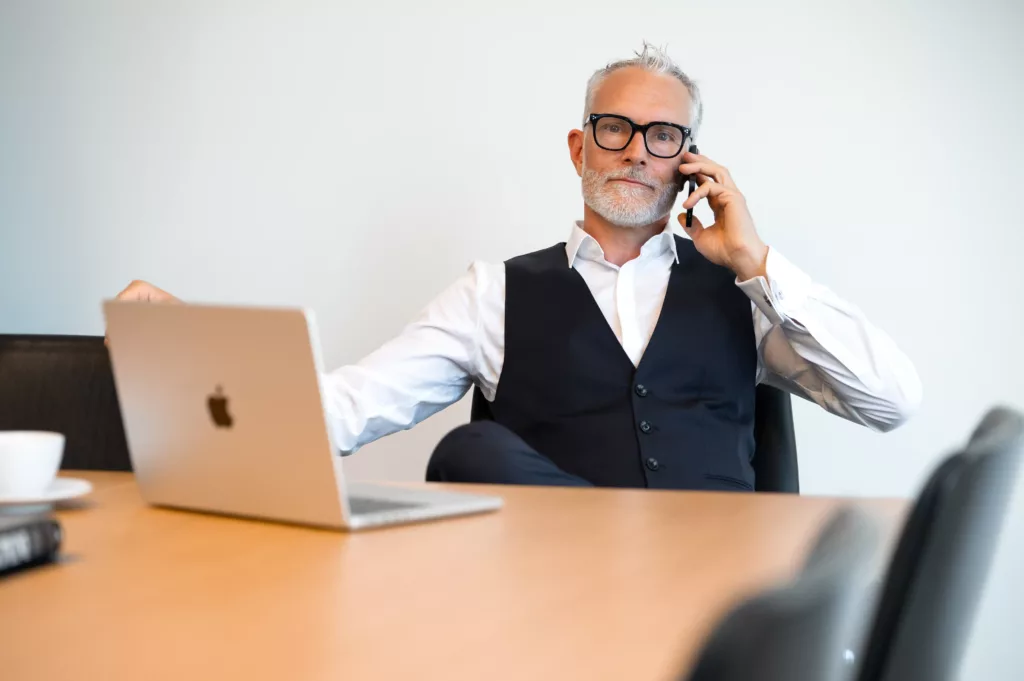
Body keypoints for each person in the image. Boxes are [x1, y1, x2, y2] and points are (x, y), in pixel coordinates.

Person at [114, 43, 921, 491]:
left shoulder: (745, 299)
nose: (637, 150)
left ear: (689, 161)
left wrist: (757, 261)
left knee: (473, 456)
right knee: (474, 456)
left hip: (722, 598)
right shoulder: (492, 293)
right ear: (579, 148)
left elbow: (891, 401)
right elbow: (345, 409)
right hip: (555, 601)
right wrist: (196, 343)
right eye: (614, 128)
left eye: (663, 136)